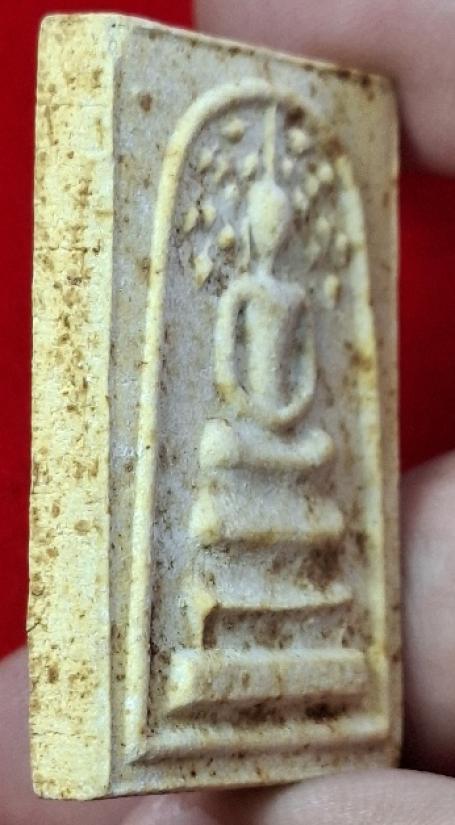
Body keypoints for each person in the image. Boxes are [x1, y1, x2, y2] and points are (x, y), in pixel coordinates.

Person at [2, 1, 454, 821]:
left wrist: (287, 414)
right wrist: (255, 412)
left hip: (290, 434)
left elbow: (304, 374)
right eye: (265, 230)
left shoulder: (291, 294)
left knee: (319, 462)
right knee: (214, 447)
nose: (274, 241)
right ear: (251, 234)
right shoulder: (244, 291)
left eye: (281, 231)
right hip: (246, 432)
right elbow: (227, 371)